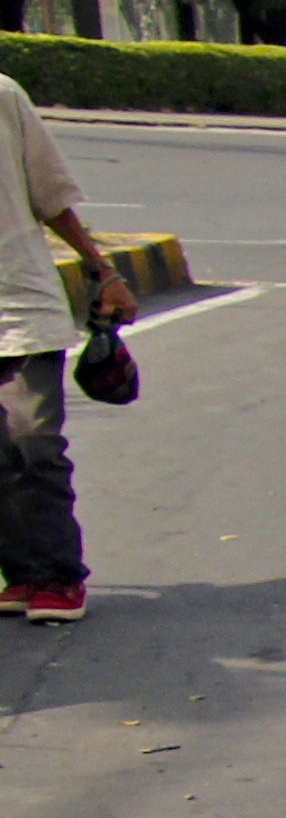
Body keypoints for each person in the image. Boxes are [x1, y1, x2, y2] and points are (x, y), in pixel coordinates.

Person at [0, 63, 139, 625]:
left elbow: (51, 195)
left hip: (16, 302)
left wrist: (102, 271)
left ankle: (58, 575)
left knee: (32, 441)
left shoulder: (3, 95)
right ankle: (24, 573)